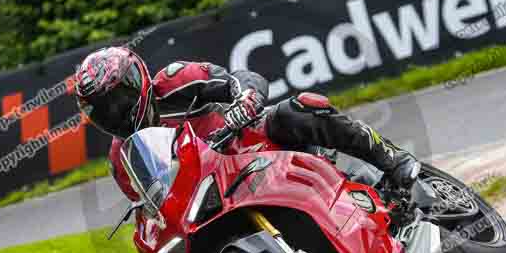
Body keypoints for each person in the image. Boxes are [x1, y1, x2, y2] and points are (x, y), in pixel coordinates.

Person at [74, 46, 420, 201]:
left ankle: (393, 159)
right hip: (217, 197)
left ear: (136, 81)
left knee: (297, 110)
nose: (113, 113)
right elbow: (151, 208)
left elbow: (238, 79)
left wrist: (246, 100)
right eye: (102, 110)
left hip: (251, 143)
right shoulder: (123, 160)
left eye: (116, 100)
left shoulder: (176, 81)